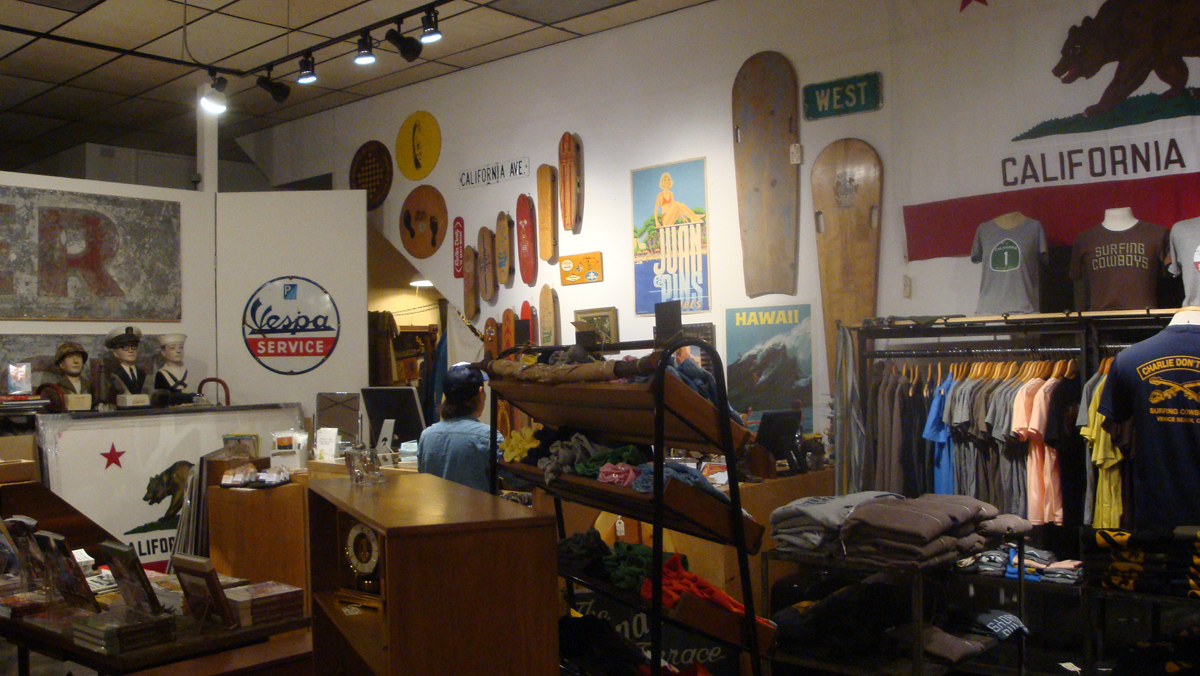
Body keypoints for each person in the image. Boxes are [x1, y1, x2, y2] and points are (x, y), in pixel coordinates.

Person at [417, 363, 503, 493]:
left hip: (437, 507)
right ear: (481, 393)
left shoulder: (426, 436)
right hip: (478, 507)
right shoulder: (488, 436)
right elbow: (517, 480)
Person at [105, 325, 149, 401]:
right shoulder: (113, 374)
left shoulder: (142, 373)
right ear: (115, 353)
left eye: (133, 346)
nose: (130, 351)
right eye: (125, 347)